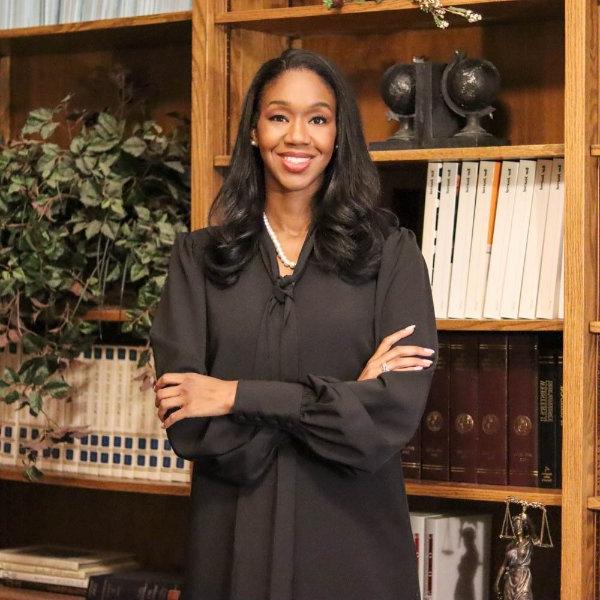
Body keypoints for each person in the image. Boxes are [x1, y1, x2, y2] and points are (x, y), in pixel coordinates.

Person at [149, 48, 438, 600]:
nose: (297, 136)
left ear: (339, 135)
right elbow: (187, 419)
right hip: (232, 535)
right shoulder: (197, 260)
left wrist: (233, 393)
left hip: (353, 541)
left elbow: (391, 414)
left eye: (318, 118)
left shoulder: (391, 255)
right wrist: (345, 394)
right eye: (279, 116)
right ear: (254, 132)